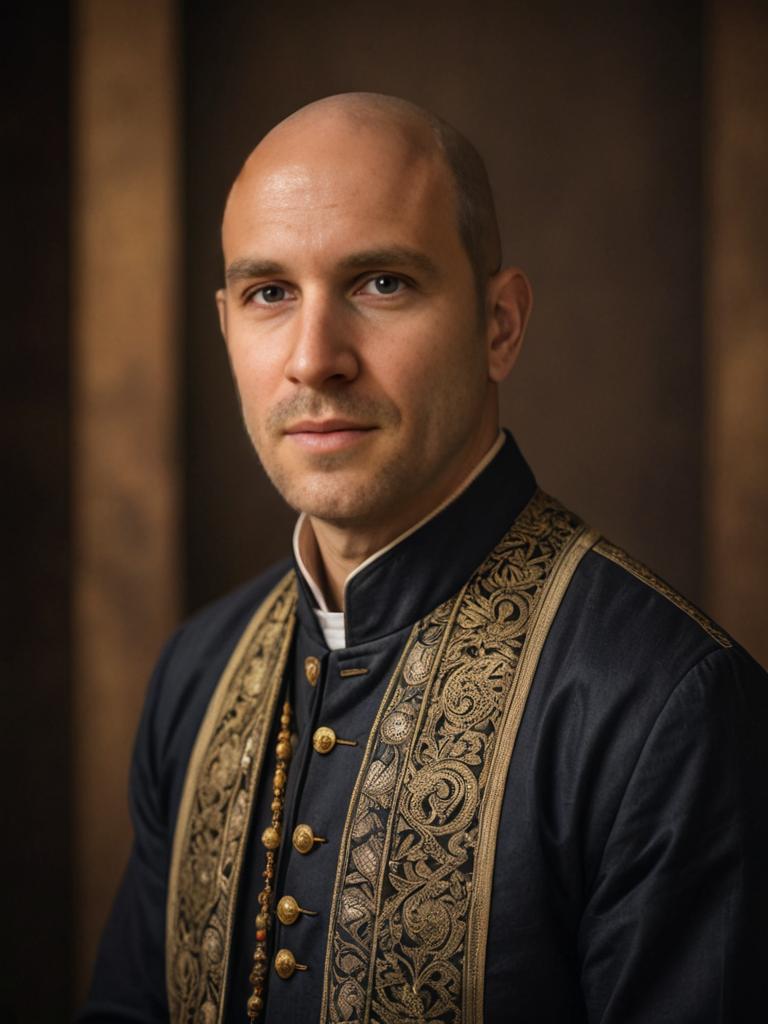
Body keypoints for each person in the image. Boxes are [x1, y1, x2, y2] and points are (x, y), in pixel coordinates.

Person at [78, 93, 767, 1024]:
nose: (314, 359)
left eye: (381, 284)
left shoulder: (666, 706)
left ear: (500, 325)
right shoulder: (196, 676)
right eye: (270, 293)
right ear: (227, 324)